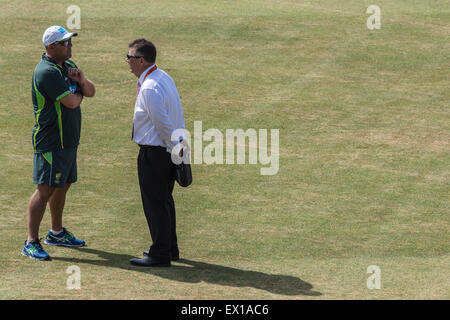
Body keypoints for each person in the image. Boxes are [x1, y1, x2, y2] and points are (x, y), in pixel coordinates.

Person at [22, 26, 95, 260]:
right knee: (45, 189)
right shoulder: (47, 72)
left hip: (69, 140)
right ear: (51, 47)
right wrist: (80, 91)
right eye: (65, 43)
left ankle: (56, 232)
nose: (70, 46)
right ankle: (31, 241)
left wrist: (82, 81)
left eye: (70, 41)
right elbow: (73, 102)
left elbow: (91, 91)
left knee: (62, 185)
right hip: (52, 141)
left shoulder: (70, 68)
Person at [126, 38, 185, 267]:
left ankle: (160, 253)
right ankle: (169, 247)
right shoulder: (162, 77)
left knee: (155, 203)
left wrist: (174, 149)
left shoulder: (149, 87)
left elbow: (162, 124)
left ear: (141, 60)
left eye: (129, 57)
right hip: (169, 149)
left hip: (157, 152)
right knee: (164, 200)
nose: (127, 61)